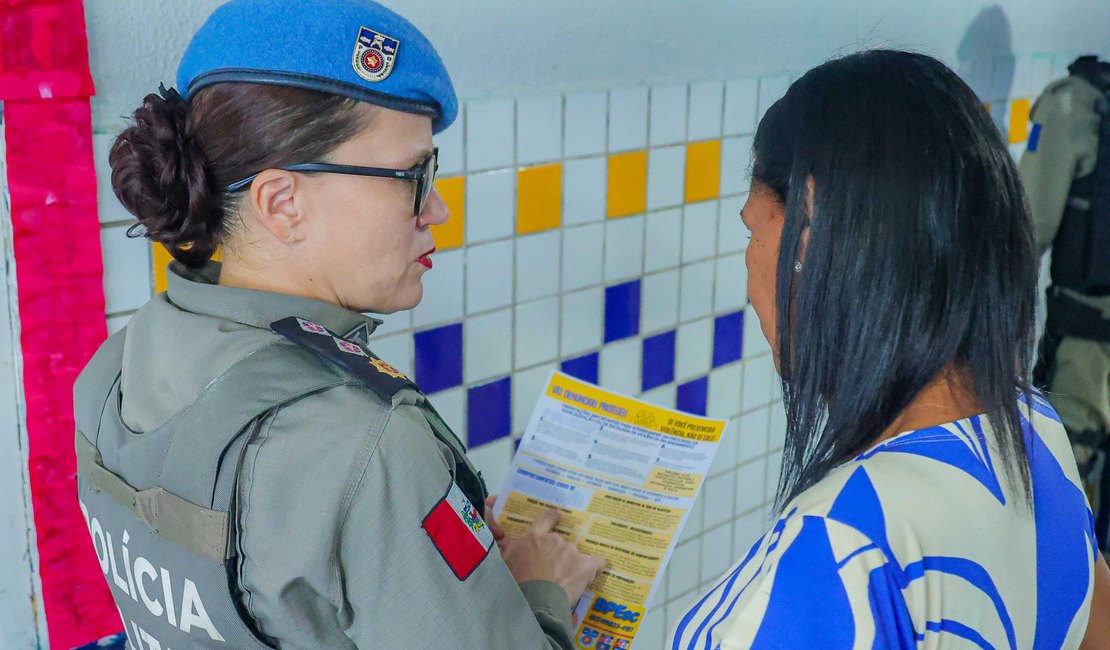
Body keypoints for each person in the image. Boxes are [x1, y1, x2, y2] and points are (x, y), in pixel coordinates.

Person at [73, 1, 603, 648]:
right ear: (282, 203)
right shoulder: (368, 447)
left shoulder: (110, 373)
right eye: (414, 175)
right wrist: (538, 590)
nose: (435, 208)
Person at [670, 50, 1104, 648]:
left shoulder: (838, 546)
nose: (750, 266)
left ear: (810, 233)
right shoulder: (1037, 433)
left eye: (755, 229)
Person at [1019, 55, 1110, 554]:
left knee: (1058, 524)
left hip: (1086, 357)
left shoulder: (1071, 106)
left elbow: (1023, 238)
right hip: (1088, 350)